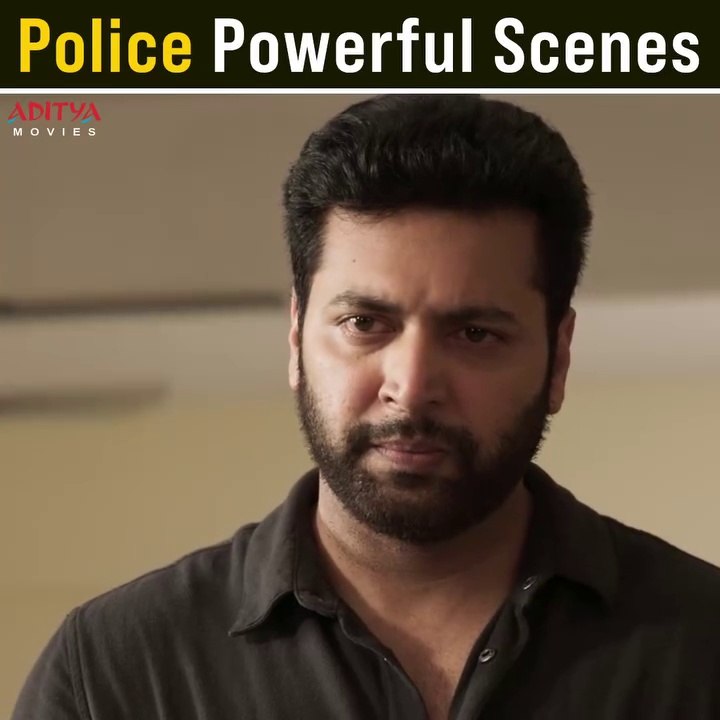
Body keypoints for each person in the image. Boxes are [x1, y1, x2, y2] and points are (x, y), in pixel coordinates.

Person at [12, 94, 720, 720]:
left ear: (557, 357)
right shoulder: (115, 674)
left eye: (475, 334)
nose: (410, 386)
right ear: (296, 339)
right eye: (364, 324)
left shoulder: (702, 647)